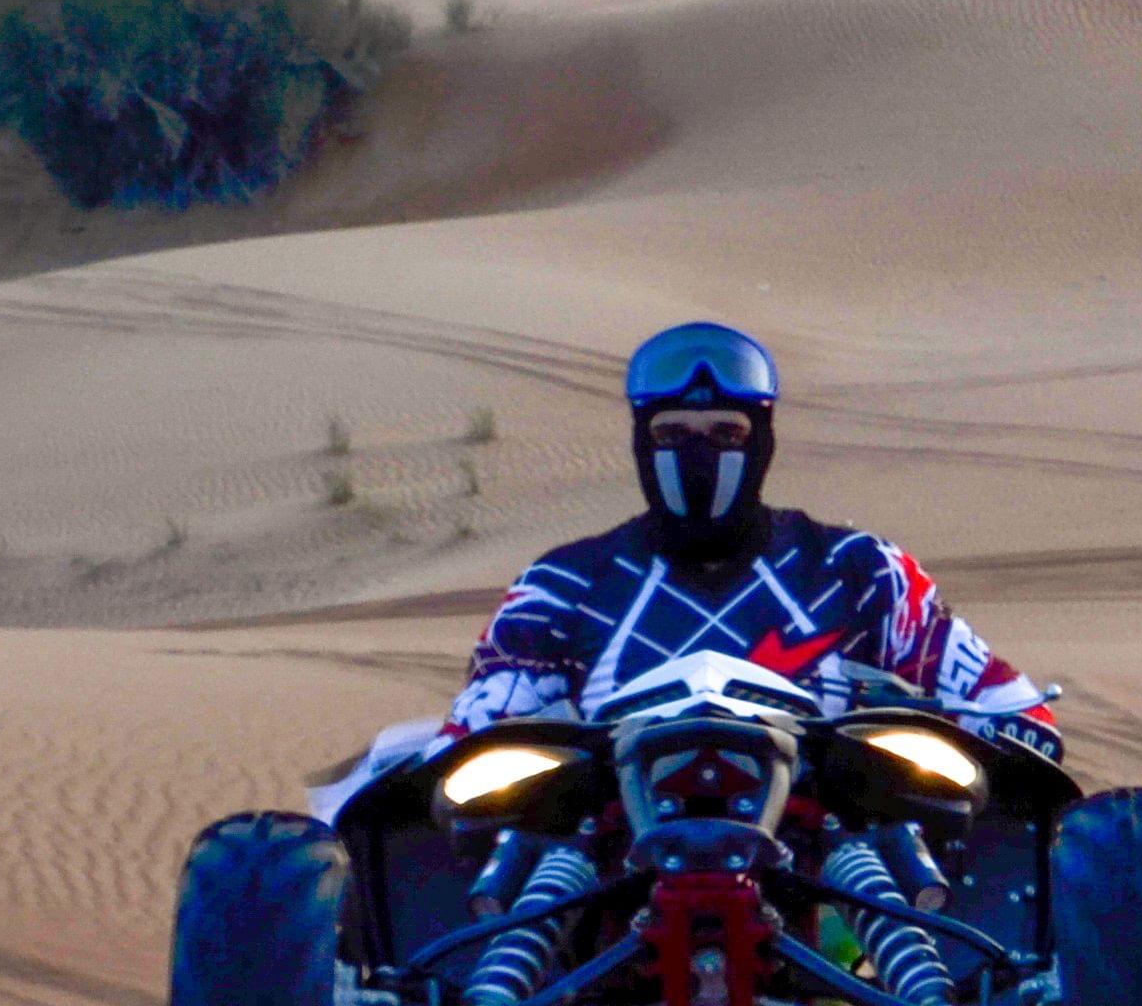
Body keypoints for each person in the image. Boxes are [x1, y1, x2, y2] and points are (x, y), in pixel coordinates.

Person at [447, 320, 1056, 751]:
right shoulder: (563, 586)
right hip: (614, 876)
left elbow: (1012, 713)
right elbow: (474, 738)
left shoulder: (859, 572)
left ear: (762, 442)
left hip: (828, 882)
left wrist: (982, 737)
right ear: (640, 442)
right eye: (673, 435)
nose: (698, 455)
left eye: (725, 435)